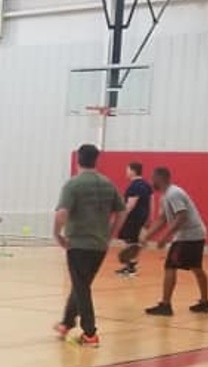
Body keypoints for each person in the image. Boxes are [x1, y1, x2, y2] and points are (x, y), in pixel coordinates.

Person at [52, 144, 125, 347]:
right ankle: (66, 323)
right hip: (100, 246)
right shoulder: (108, 184)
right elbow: (121, 211)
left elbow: (62, 213)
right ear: (96, 160)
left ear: (78, 160)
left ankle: (90, 333)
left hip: (78, 245)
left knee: (81, 287)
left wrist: (57, 234)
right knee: (81, 284)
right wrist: (110, 234)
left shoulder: (73, 185)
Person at [141, 167, 208, 316]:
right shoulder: (166, 196)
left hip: (188, 236)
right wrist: (146, 236)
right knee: (196, 268)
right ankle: (205, 302)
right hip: (194, 235)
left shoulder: (173, 194)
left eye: (153, 178)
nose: (151, 181)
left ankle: (165, 305)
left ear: (160, 178)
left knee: (170, 266)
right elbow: (163, 219)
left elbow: (181, 216)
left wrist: (165, 237)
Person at [115, 161, 151, 277]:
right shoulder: (146, 185)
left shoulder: (134, 186)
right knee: (133, 242)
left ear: (133, 171)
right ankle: (130, 267)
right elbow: (152, 202)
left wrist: (121, 216)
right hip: (142, 217)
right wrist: (149, 216)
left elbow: (131, 205)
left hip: (132, 218)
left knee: (129, 242)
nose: (126, 172)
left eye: (128, 169)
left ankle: (130, 268)